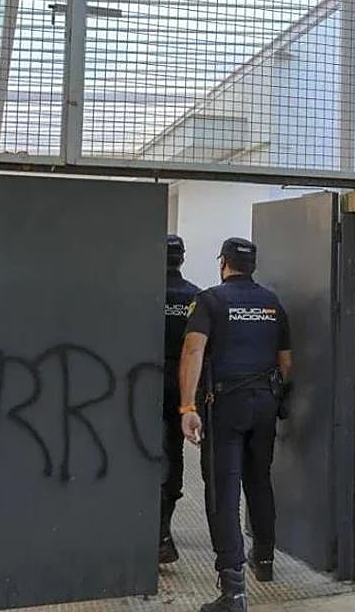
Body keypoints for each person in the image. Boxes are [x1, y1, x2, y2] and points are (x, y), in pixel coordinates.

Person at [178, 238, 292, 612]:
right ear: (252, 266)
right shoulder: (272, 303)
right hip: (265, 403)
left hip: (225, 406)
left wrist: (187, 405)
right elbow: (286, 363)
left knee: (223, 492)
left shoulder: (209, 301)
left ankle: (233, 591)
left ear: (224, 263)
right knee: (259, 481)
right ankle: (266, 561)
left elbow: (194, 349)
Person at [159, 235, 199, 564]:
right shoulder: (195, 297)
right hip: (180, 386)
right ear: (182, 259)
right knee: (173, 454)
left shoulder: (141, 291)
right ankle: (162, 532)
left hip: (140, 384)